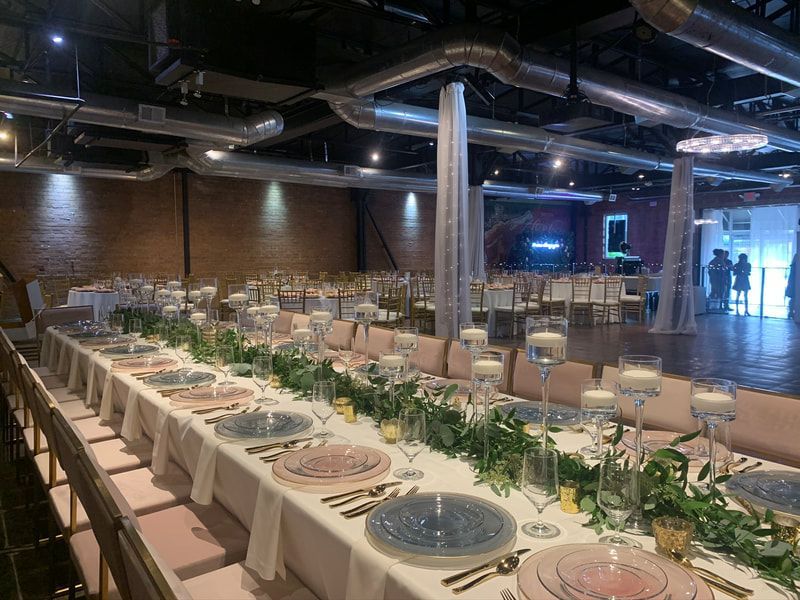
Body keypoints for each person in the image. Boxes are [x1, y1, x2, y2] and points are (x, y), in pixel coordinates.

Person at [788, 253, 797, 319]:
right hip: (794, 283)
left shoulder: (793, 266)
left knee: (792, 298)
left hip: (792, 283)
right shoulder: (794, 267)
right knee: (793, 297)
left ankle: (791, 311)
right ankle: (791, 312)